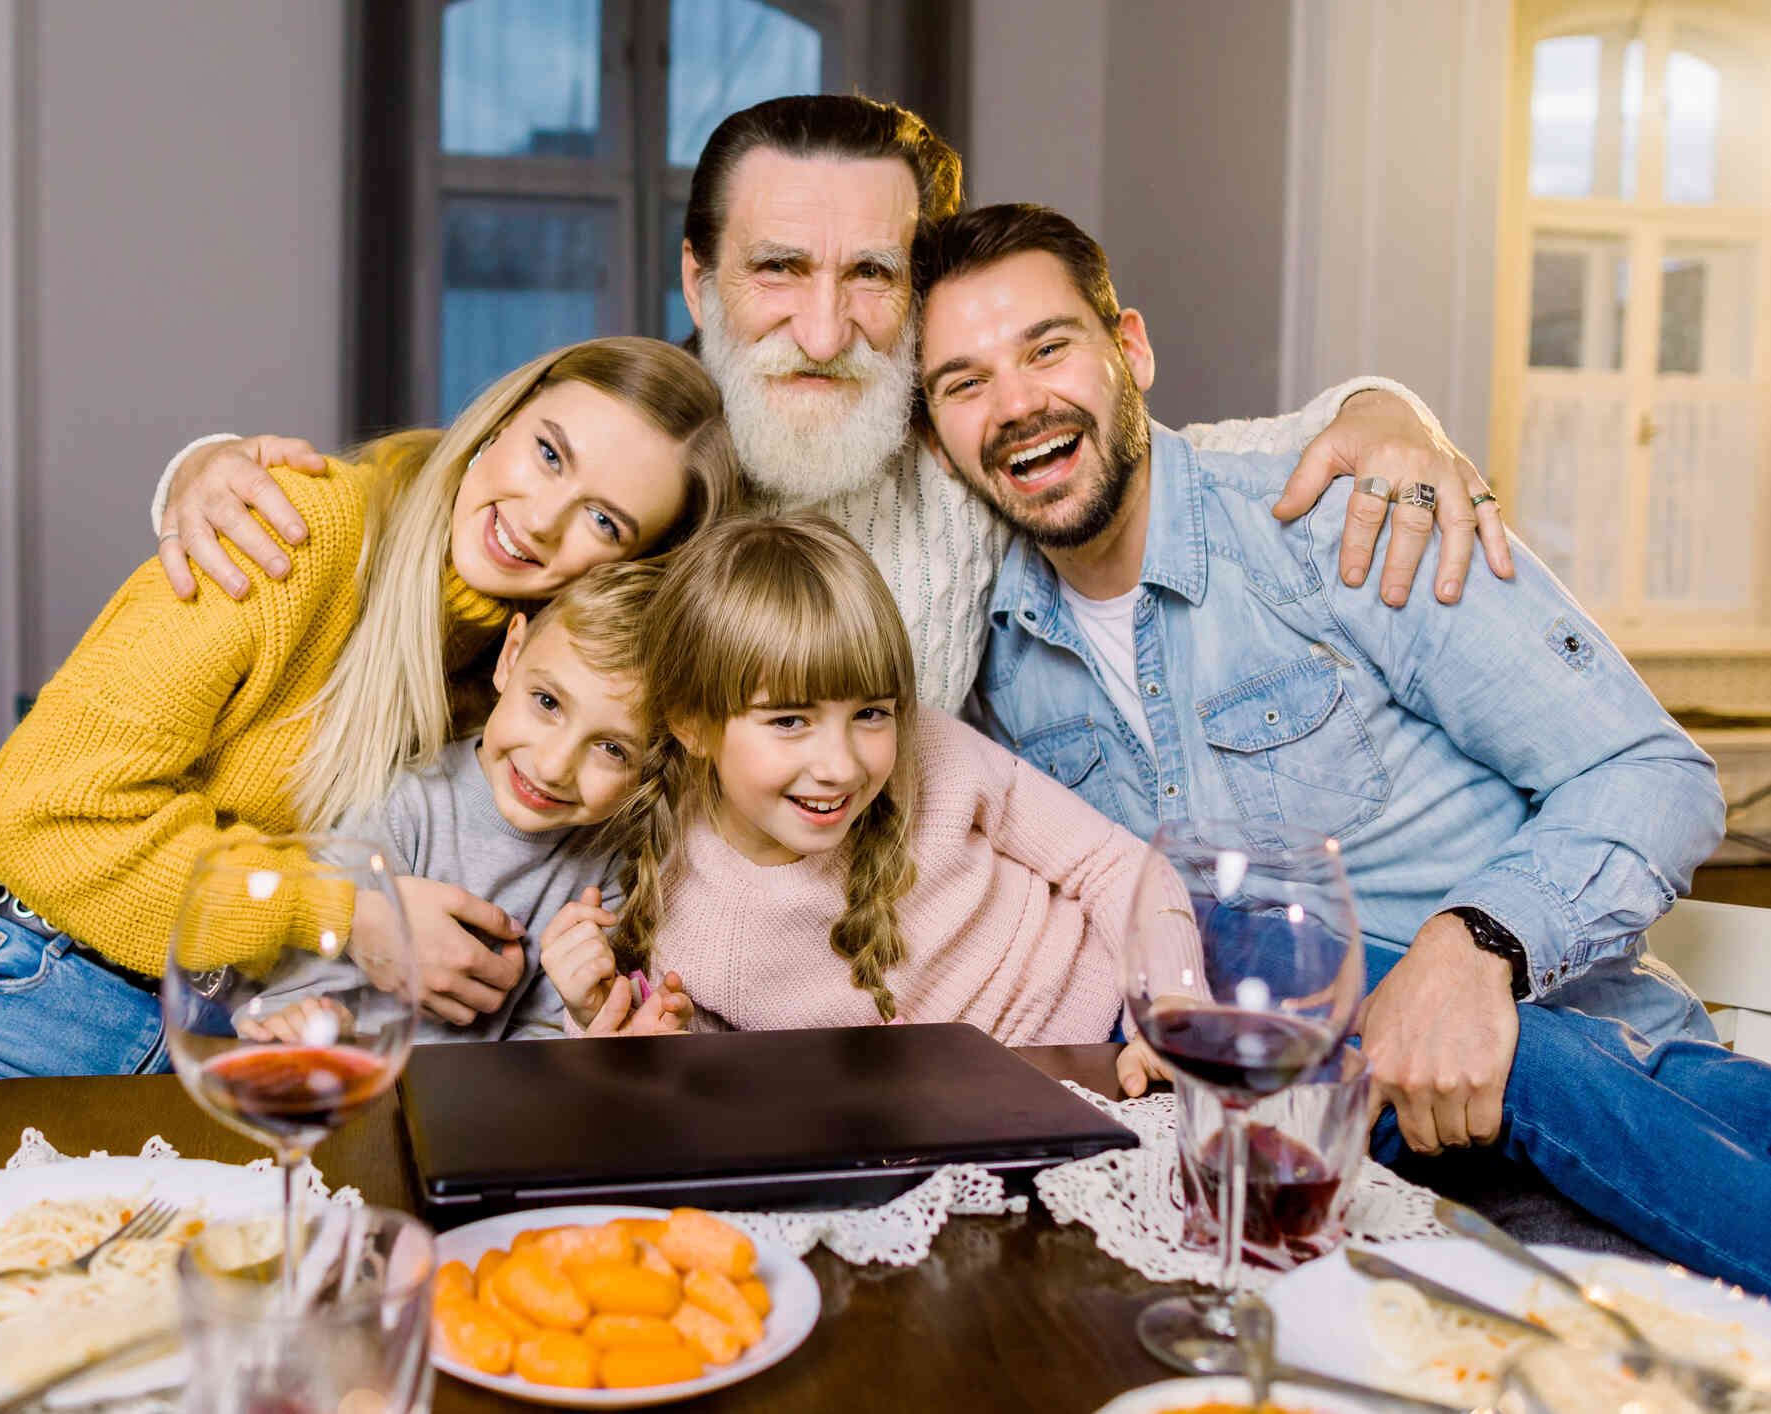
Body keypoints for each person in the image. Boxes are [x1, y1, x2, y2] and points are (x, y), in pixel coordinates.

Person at [912, 201, 1771, 1293]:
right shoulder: (990, 659)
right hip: (1337, 1148)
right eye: (963, 381)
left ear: (1130, 347)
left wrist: (1472, 948)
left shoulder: (1343, 520)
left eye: (1047, 347)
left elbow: (1651, 773)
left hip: (1597, 1084)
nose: (1017, 405)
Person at [150, 96, 1510, 720]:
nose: (821, 327)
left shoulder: (974, 462)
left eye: (873, 275)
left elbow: (1181, 456)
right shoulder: (628, 444)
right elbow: (410, 491)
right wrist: (203, 464)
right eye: (778, 269)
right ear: (695, 277)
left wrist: (1386, 407)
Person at [0, 338, 739, 1210]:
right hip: (17, 1014)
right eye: (547, 453)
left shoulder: (521, 704)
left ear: (634, 570)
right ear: (499, 421)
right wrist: (348, 914)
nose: (542, 518)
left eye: (604, 519)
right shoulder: (295, 531)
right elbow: (47, 817)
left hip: (232, 1047)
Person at [537, 515, 1202, 1087]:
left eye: (870, 713)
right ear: (692, 724)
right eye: (789, 721)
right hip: (951, 1124)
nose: (840, 766)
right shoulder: (679, 913)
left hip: (1114, 1022)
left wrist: (1171, 1001)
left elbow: (1117, 867)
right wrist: (597, 1015)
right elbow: (703, 1090)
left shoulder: (931, 751)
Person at [345, 559, 694, 1045]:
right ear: (510, 655)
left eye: (612, 749)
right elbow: (301, 961)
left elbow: (541, 1042)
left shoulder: (607, 873)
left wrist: (590, 1016)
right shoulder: (401, 805)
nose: (553, 766)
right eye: (547, 702)